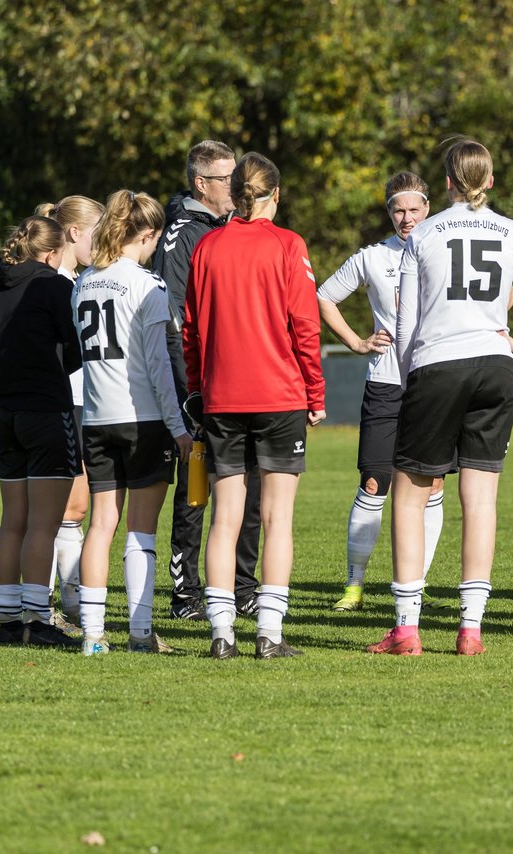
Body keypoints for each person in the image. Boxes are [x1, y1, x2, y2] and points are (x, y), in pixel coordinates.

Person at [367, 137, 513, 656]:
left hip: (438, 363)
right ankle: (470, 629)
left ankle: (406, 628)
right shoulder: (512, 231)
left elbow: (405, 320)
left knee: (410, 491)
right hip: (495, 365)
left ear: (445, 182)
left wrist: (405, 379)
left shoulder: (424, 232)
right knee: (481, 498)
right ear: (489, 181)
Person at [184, 152, 325, 660]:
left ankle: (221, 633)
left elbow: (192, 330)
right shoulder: (288, 245)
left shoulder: (207, 247)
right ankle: (269, 632)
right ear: (276, 194)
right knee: (277, 517)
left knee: (225, 517)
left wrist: (199, 387)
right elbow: (304, 326)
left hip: (222, 397)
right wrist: (316, 392)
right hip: (279, 395)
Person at [317, 172, 447, 612]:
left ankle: (418, 584)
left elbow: (507, 293)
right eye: (398, 210)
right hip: (386, 384)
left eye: (413, 209)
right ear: (389, 213)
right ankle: (354, 585)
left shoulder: (446, 248)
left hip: (433, 384)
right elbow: (324, 296)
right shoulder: (373, 257)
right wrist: (357, 342)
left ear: (427, 208)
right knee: (375, 482)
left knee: (430, 487)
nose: (406, 217)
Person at [73, 190, 190, 655]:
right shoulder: (149, 286)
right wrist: (179, 428)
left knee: (101, 525)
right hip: (142, 419)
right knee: (141, 530)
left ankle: (91, 636)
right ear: (147, 235)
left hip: (96, 419)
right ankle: (141, 633)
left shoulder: (84, 282)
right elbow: (160, 366)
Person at [151, 140, 261, 622]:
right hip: (197, 386)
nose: (236, 189)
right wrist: (187, 390)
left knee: (249, 485)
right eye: (225, 180)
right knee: (197, 489)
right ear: (201, 184)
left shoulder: (231, 228)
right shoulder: (181, 235)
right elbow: (172, 320)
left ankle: (242, 587)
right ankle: (186, 593)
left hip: (238, 383)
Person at [0, 214, 83, 648]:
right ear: (52, 252)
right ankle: (39, 621)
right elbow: (75, 348)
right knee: (45, 524)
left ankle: (8, 621)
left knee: (13, 522)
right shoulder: (54, 285)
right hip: (46, 410)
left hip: (5, 412)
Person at [35, 195, 104, 635]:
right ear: (75, 233)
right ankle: (49, 604)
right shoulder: (55, 283)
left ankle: (69, 600)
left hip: (85, 401)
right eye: (97, 232)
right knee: (61, 507)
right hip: (65, 402)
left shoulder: (78, 278)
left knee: (74, 505)